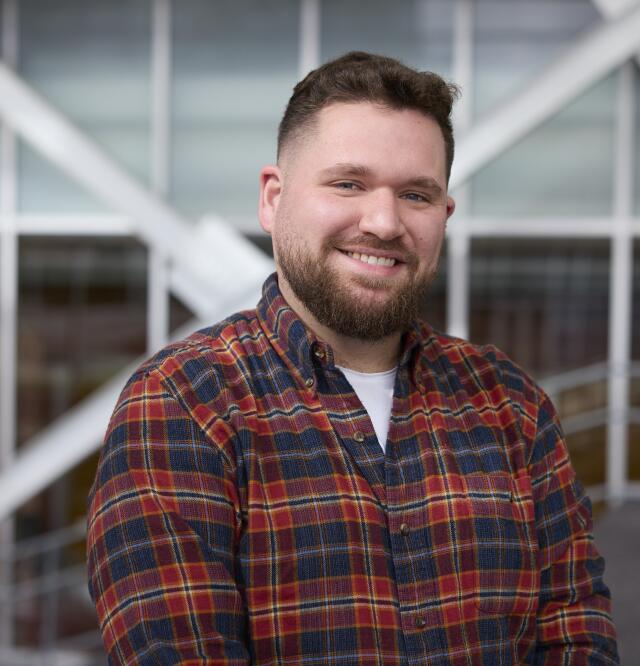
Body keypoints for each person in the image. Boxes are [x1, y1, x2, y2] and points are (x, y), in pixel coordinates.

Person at [87, 52, 618, 664]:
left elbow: (579, 638)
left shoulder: (511, 404)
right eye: (348, 183)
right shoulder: (184, 403)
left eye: (416, 194)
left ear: (443, 217)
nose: (385, 221)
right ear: (273, 199)